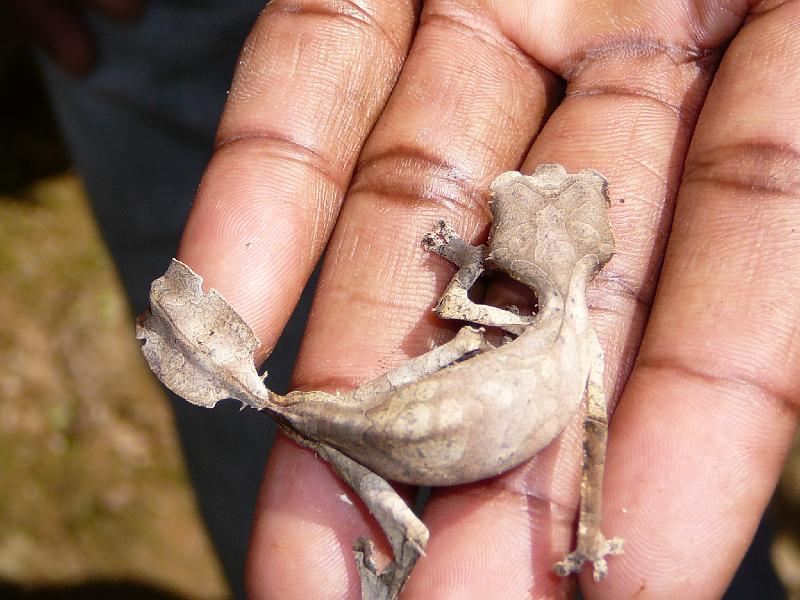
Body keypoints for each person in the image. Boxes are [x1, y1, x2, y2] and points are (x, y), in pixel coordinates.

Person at [7, 1, 798, 598]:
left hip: (403, 427)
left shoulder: (530, 329)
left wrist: (461, 263)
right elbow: (589, 455)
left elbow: (462, 320)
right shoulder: (575, 348)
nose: (540, 179)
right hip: (400, 430)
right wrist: (589, 535)